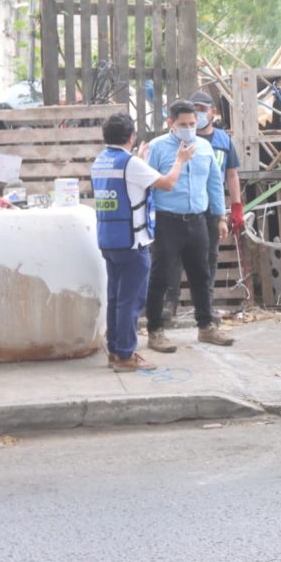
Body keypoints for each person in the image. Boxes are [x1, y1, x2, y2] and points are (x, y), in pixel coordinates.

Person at [91, 113, 194, 372]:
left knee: (116, 299)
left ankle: (115, 351)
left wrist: (140, 161)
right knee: (131, 301)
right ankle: (126, 355)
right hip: (132, 242)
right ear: (132, 136)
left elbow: (127, 182)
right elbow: (168, 183)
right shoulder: (130, 164)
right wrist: (180, 160)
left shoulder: (101, 161)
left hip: (109, 240)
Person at [144, 99, 234, 351]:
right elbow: (146, 185)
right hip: (166, 221)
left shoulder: (205, 147)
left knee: (201, 275)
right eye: (183, 124)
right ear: (170, 123)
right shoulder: (157, 148)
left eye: (192, 124)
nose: (189, 128)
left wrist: (220, 216)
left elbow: (215, 184)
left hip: (198, 220)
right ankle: (155, 330)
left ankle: (206, 327)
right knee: (160, 277)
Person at [161, 90, 244, 325]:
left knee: (208, 260)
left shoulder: (222, 141)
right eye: (193, 110)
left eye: (201, 110)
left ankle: (205, 310)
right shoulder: (178, 142)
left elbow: (230, 175)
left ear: (212, 113)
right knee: (173, 260)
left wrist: (233, 208)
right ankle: (170, 307)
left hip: (210, 210)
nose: (197, 115)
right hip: (181, 210)